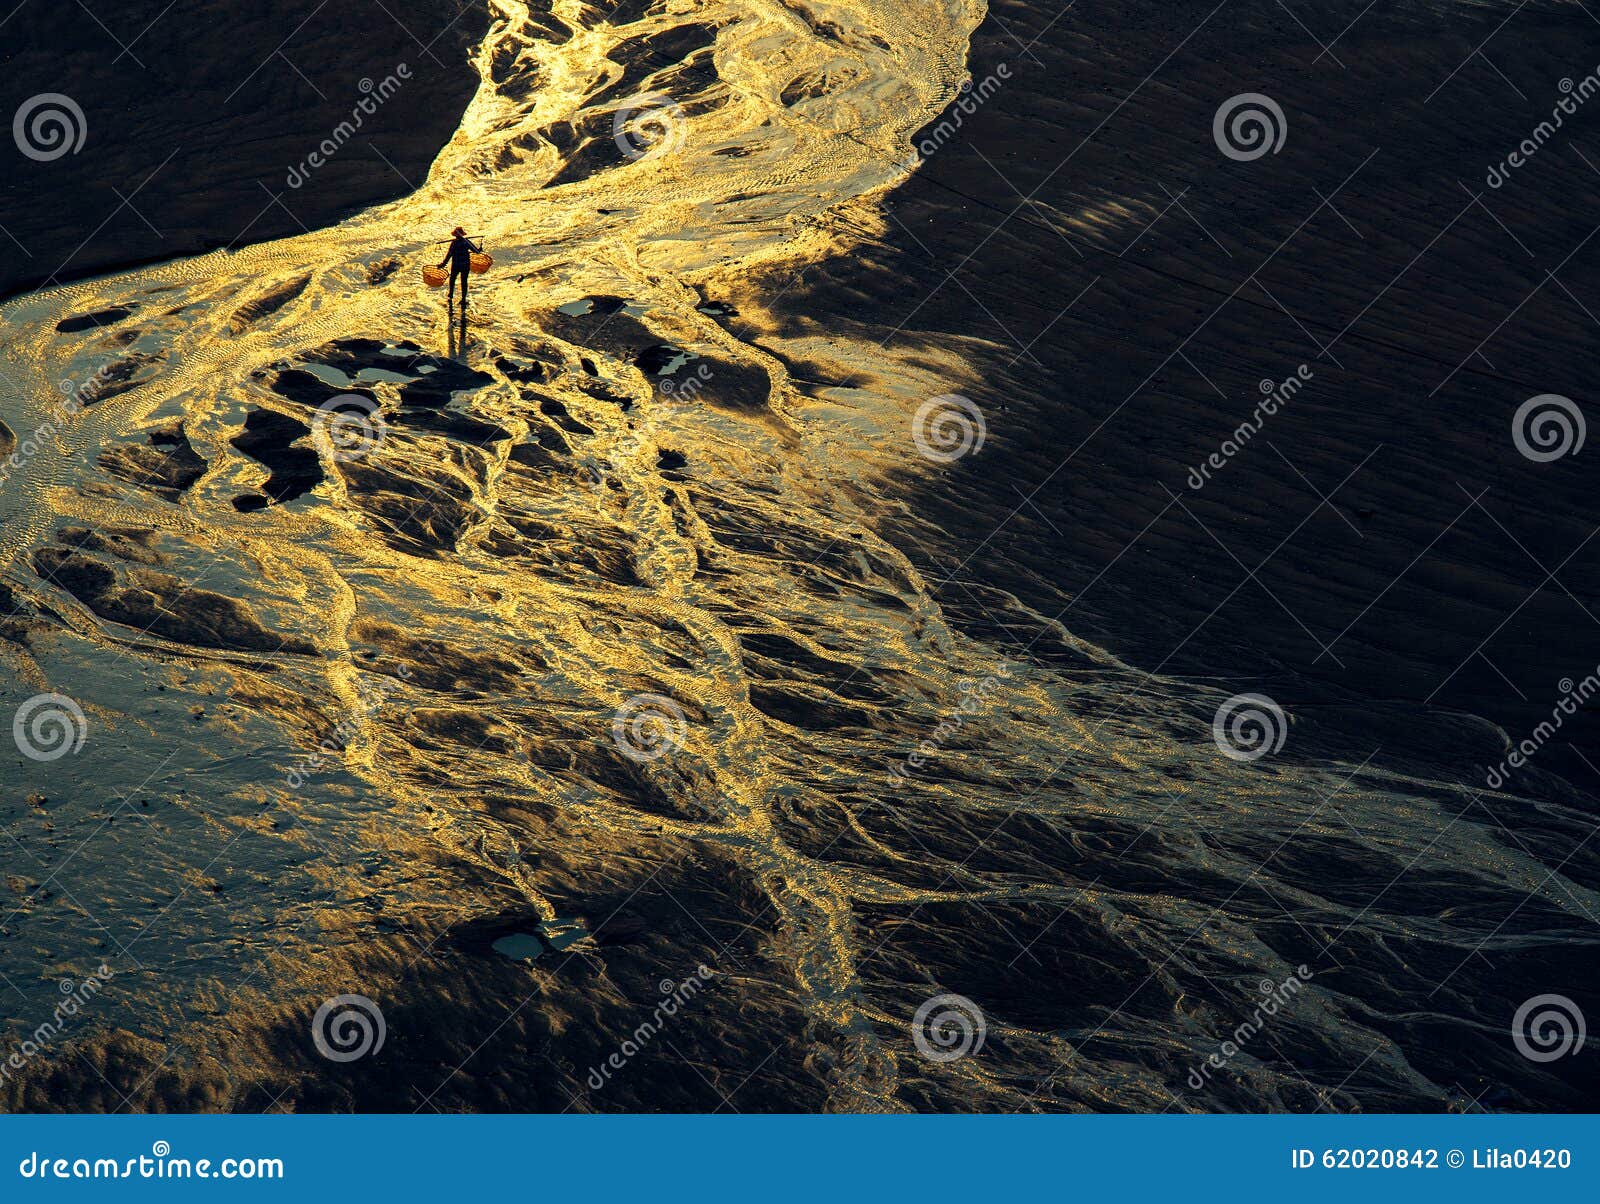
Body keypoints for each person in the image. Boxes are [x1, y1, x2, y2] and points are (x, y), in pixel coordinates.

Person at [437, 227, 482, 309]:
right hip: (465, 265)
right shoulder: (467, 242)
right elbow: (476, 251)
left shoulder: (454, 244)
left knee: (452, 279)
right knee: (464, 281)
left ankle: (451, 294)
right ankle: (463, 299)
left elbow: (449, 255)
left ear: (456, 236)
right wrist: (480, 249)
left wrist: (443, 264)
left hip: (456, 265)